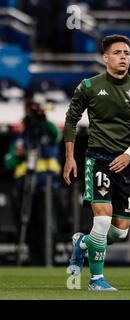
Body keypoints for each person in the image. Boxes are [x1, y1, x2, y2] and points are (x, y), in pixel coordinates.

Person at [63, 34, 130, 291]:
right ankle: (95, 280)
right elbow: (71, 120)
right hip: (98, 159)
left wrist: (129, 154)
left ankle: (82, 243)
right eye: (118, 53)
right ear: (105, 58)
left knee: (120, 232)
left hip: (126, 163)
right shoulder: (89, 86)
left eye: (127, 53)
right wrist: (70, 157)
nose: (124, 57)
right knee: (102, 221)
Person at [3, 95, 63, 265]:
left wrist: (43, 120)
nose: (31, 111)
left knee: (47, 226)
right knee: (29, 227)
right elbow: (8, 162)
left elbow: (57, 136)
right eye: (29, 107)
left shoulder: (48, 131)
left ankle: (49, 259)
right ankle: (34, 259)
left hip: (47, 187)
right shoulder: (22, 137)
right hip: (26, 188)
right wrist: (18, 156)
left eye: (34, 107)